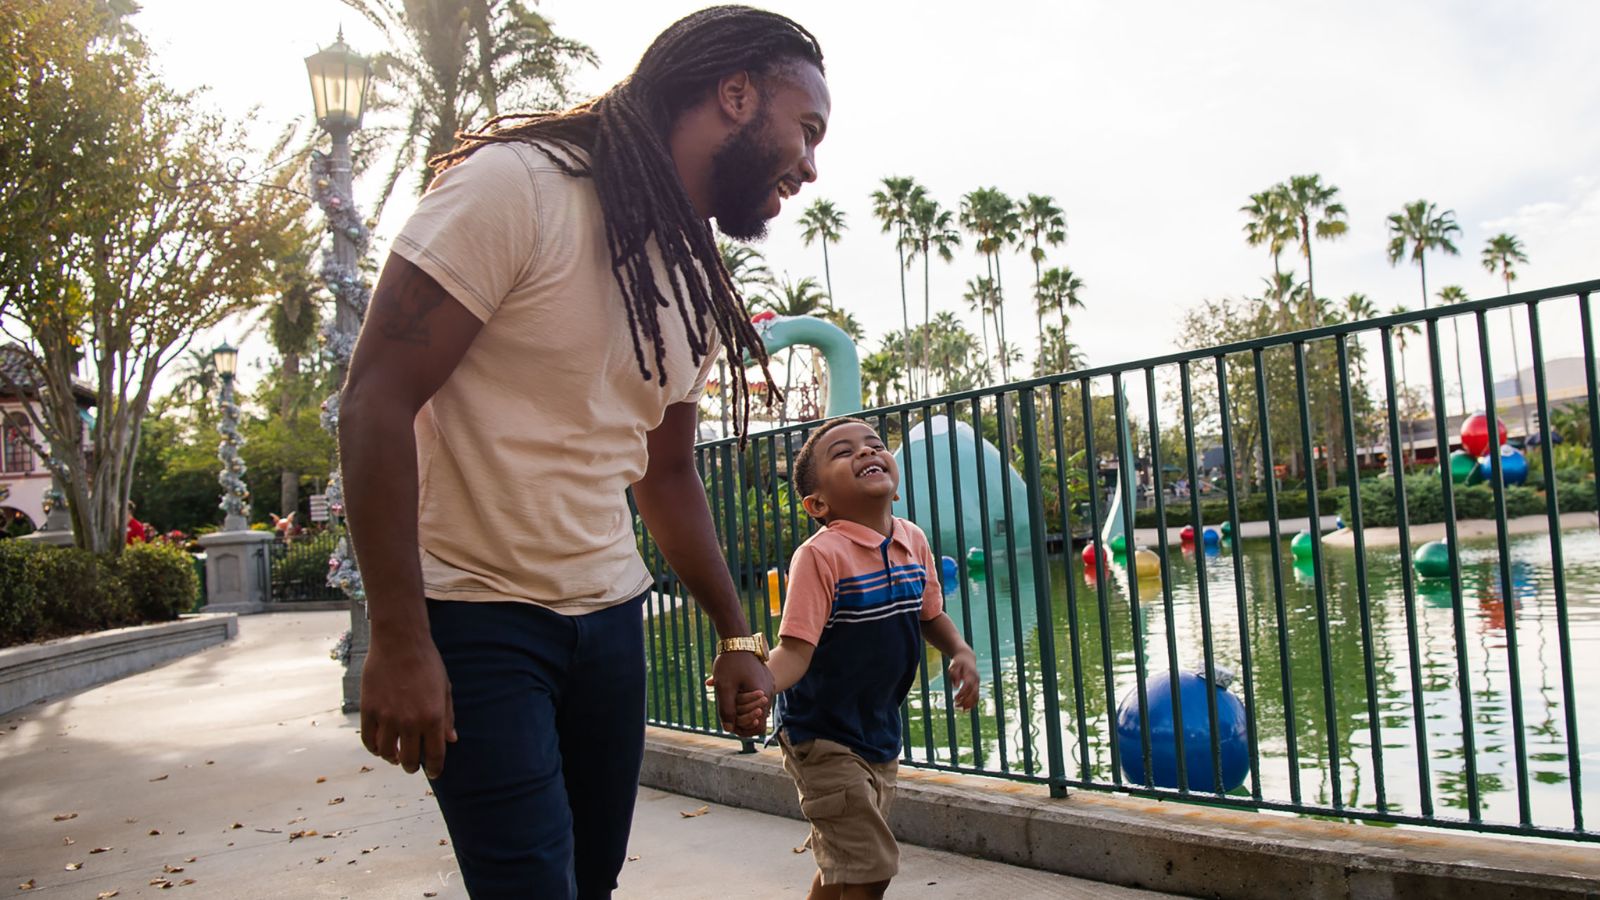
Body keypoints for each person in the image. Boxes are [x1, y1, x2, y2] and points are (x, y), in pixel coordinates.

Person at [337, 7, 829, 898]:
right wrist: (400, 638)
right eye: (807, 128)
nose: (810, 163)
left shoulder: (690, 277)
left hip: (608, 623)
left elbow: (667, 473)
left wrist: (734, 633)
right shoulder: (516, 187)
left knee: (588, 885)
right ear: (735, 93)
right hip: (477, 615)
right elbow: (376, 396)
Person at [759, 417, 979, 900]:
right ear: (818, 504)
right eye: (843, 452)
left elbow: (930, 615)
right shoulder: (821, 556)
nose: (865, 452)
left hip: (878, 731)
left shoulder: (912, 541)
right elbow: (796, 650)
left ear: (894, 485)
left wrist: (959, 649)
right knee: (871, 866)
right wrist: (760, 685)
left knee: (846, 857)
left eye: (875, 444)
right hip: (820, 733)